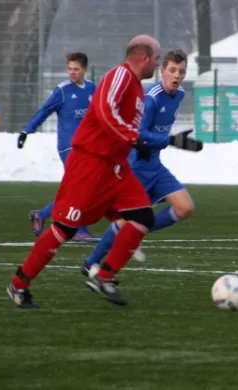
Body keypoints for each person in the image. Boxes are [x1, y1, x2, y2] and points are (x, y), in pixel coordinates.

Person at [7, 34, 161, 308]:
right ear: (144, 57)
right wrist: (132, 138)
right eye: (157, 58)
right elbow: (105, 111)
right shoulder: (121, 75)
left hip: (115, 167)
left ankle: (104, 276)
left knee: (142, 216)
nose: (158, 64)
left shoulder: (137, 87)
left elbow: (127, 129)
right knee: (65, 228)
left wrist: (152, 141)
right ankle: (18, 285)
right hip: (90, 162)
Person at [81, 49, 203, 273]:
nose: (177, 76)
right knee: (126, 221)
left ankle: (136, 234)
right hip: (136, 166)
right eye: (173, 70)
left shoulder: (180, 95)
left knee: (185, 208)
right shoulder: (151, 99)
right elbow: (138, 134)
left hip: (155, 166)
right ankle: (91, 262)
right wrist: (171, 140)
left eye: (182, 72)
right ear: (162, 70)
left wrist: (173, 141)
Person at [17, 52, 99, 242]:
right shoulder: (62, 90)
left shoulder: (92, 89)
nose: (72, 72)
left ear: (85, 70)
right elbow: (44, 111)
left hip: (87, 147)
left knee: (81, 189)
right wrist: (26, 131)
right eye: (69, 68)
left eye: (76, 69)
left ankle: (43, 214)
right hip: (68, 147)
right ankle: (80, 230)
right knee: (82, 188)